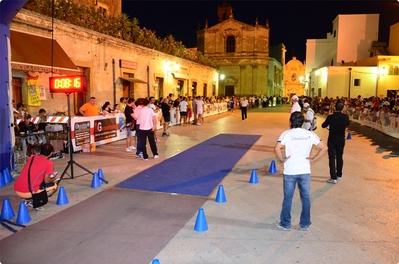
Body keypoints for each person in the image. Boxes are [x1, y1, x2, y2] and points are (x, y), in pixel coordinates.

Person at [275, 111, 328, 231]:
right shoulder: (310, 134)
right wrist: (314, 159)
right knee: (306, 197)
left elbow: (277, 147)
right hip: (304, 170)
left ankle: (285, 223)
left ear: (290, 122)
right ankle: (305, 223)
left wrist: (282, 159)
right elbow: (324, 147)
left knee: (288, 197)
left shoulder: (286, 134)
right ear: (303, 122)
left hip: (290, 171)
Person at [14, 143, 59, 210]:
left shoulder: (32, 157)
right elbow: (47, 180)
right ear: (51, 153)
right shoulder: (49, 163)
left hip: (17, 189)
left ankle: (28, 199)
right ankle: (34, 201)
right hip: (28, 191)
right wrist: (55, 178)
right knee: (54, 186)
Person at [321, 101, 349, 184]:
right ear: (343, 108)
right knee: (340, 157)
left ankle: (333, 177)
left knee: (332, 158)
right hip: (341, 139)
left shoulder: (331, 117)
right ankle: (339, 174)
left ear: (334, 108)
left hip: (332, 139)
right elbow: (347, 124)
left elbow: (323, 125)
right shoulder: (345, 117)